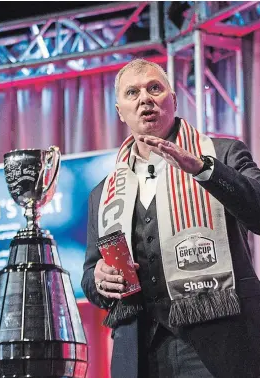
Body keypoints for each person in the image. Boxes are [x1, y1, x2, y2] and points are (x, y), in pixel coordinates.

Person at [81, 59, 260, 378]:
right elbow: (90, 276)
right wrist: (98, 278)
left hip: (221, 346)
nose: (144, 99)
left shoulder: (223, 154)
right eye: (132, 92)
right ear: (121, 112)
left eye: (154, 88)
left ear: (174, 101)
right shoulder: (103, 192)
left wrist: (203, 169)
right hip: (138, 352)